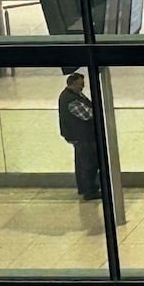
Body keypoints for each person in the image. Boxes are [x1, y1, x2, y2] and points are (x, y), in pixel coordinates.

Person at [58, 72, 101, 202]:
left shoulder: (75, 95)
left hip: (82, 136)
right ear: (72, 84)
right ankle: (89, 190)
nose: (82, 87)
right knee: (88, 163)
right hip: (82, 136)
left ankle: (86, 188)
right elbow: (88, 114)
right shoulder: (70, 99)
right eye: (80, 84)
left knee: (83, 163)